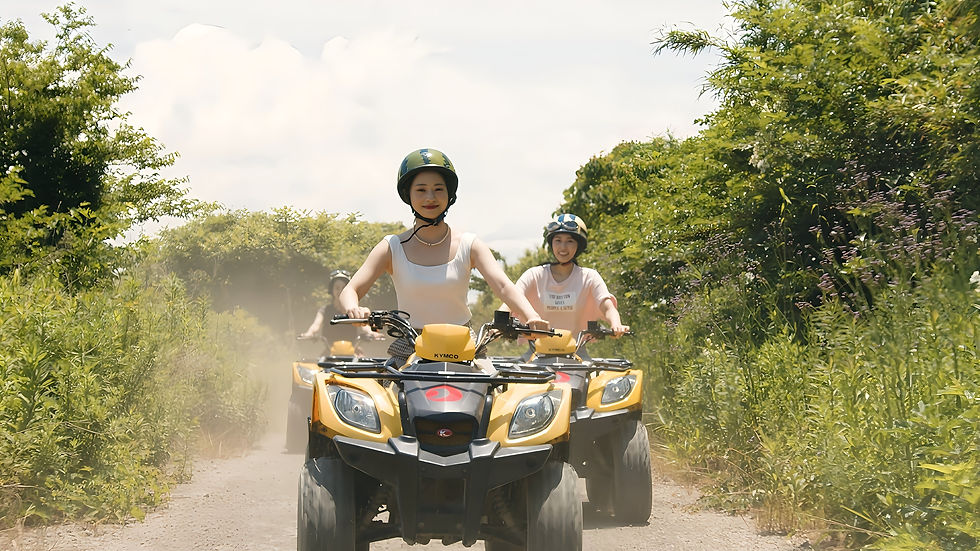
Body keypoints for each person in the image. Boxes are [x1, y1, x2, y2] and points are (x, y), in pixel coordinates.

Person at [338, 147, 549, 364]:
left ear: (449, 194)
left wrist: (531, 316)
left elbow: (504, 287)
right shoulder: (391, 246)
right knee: (385, 396)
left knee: (498, 394)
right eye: (421, 190)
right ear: (407, 194)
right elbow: (351, 289)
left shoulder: (470, 245)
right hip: (409, 349)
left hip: (464, 349)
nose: (430, 197)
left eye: (438, 189)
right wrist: (354, 309)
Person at [504, 213, 629, 342]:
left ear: (578, 245)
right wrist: (497, 323)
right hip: (535, 353)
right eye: (558, 240)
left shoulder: (589, 277)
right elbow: (510, 299)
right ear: (551, 243)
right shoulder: (534, 275)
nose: (563, 247)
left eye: (570, 241)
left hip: (576, 353)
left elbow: (607, 306)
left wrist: (616, 324)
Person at [300, 269, 373, 353]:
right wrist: (309, 334)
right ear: (332, 290)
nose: (340, 291)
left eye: (343, 288)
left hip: (353, 351)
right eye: (337, 288)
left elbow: (364, 326)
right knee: (318, 365)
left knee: (365, 363)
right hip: (329, 351)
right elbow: (315, 326)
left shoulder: (353, 310)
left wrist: (372, 333)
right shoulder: (324, 310)